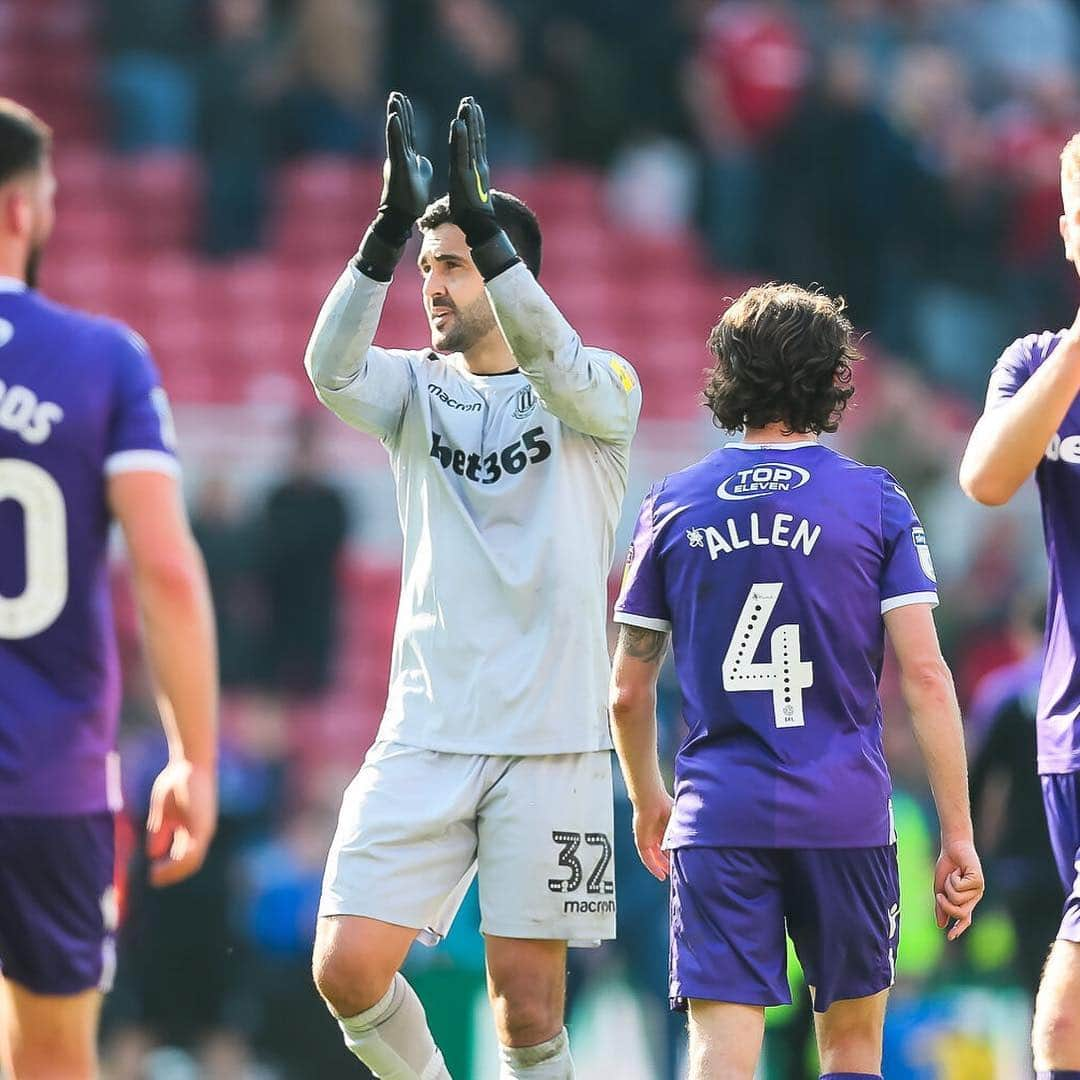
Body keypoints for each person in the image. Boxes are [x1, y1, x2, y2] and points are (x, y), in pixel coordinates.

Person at [305, 92, 640, 1080]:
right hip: (426, 729)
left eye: (450, 266)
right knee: (347, 971)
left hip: (553, 743)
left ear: (507, 268)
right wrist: (379, 237)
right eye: (428, 269)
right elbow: (329, 371)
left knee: (527, 1010)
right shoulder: (412, 387)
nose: (432, 289)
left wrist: (482, 225)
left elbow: (565, 364)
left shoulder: (601, 390)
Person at [610, 283, 983, 1080]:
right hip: (845, 811)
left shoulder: (671, 505)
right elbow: (924, 672)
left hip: (720, 812)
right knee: (850, 1048)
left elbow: (627, 689)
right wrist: (957, 830)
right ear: (833, 380)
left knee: (719, 1050)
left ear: (728, 377)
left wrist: (648, 800)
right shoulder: (875, 500)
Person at [0, 98, 219, 1079]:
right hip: (50, 784)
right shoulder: (102, 361)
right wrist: (194, 756)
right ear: (22, 211)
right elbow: (166, 570)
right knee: (51, 1058)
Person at [959, 130, 1080, 1080]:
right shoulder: (1039, 363)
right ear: (1070, 233)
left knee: (1064, 1026)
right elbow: (986, 478)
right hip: (1072, 739)